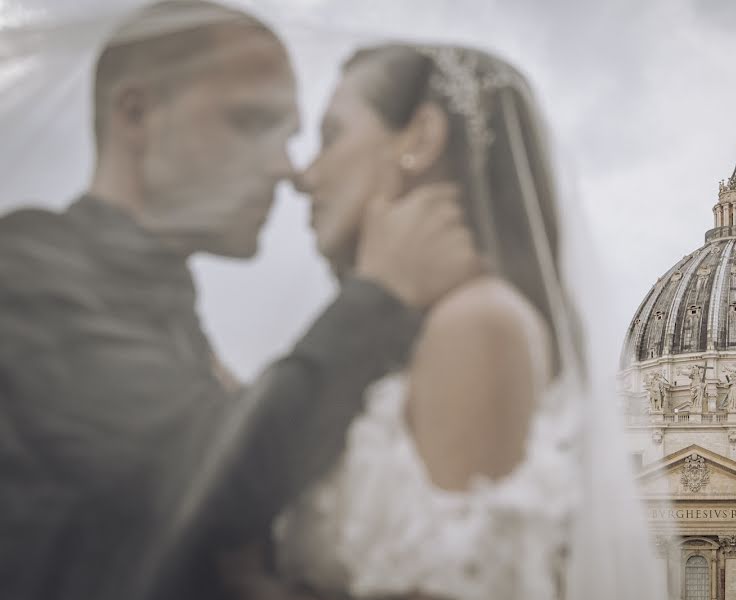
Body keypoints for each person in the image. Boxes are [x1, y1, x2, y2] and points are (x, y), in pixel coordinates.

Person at [0, 4, 479, 600]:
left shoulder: (170, 314)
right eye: (251, 123)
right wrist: (379, 295)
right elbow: (209, 481)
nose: (287, 169)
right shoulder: (26, 264)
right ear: (136, 115)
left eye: (292, 137)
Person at [271, 44, 583, 600]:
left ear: (418, 139)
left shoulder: (477, 324)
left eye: (331, 135)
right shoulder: (427, 326)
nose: (303, 174)